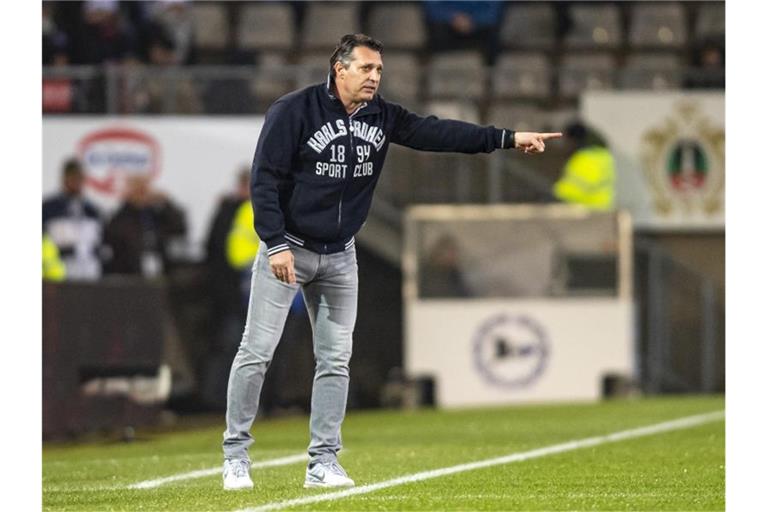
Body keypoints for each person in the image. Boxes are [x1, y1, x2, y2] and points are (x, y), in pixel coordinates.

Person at [221, 33, 561, 491]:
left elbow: (437, 132)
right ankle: (235, 455)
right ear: (339, 69)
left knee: (336, 360)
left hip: (340, 253)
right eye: (366, 68)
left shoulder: (382, 116)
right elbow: (264, 180)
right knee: (256, 352)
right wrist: (276, 242)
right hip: (291, 248)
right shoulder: (293, 111)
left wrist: (506, 138)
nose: (374, 78)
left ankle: (322, 461)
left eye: (379, 70)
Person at [102, 174, 187, 277]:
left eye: (144, 187)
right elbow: (113, 238)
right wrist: (130, 204)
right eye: (137, 187)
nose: (141, 191)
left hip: (159, 273)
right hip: (130, 275)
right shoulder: (121, 217)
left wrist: (166, 203)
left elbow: (179, 228)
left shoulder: (157, 215)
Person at [42, 157, 103, 280]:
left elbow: (99, 245)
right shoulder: (48, 209)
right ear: (64, 178)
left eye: (80, 178)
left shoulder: (92, 211)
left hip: (89, 275)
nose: (76, 182)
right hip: (58, 275)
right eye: (72, 178)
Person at [553, 121, 615, 211]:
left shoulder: (585, 158)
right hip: (602, 209)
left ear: (573, 140)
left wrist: (553, 195)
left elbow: (571, 189)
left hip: (586, 210)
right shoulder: (604, 155)